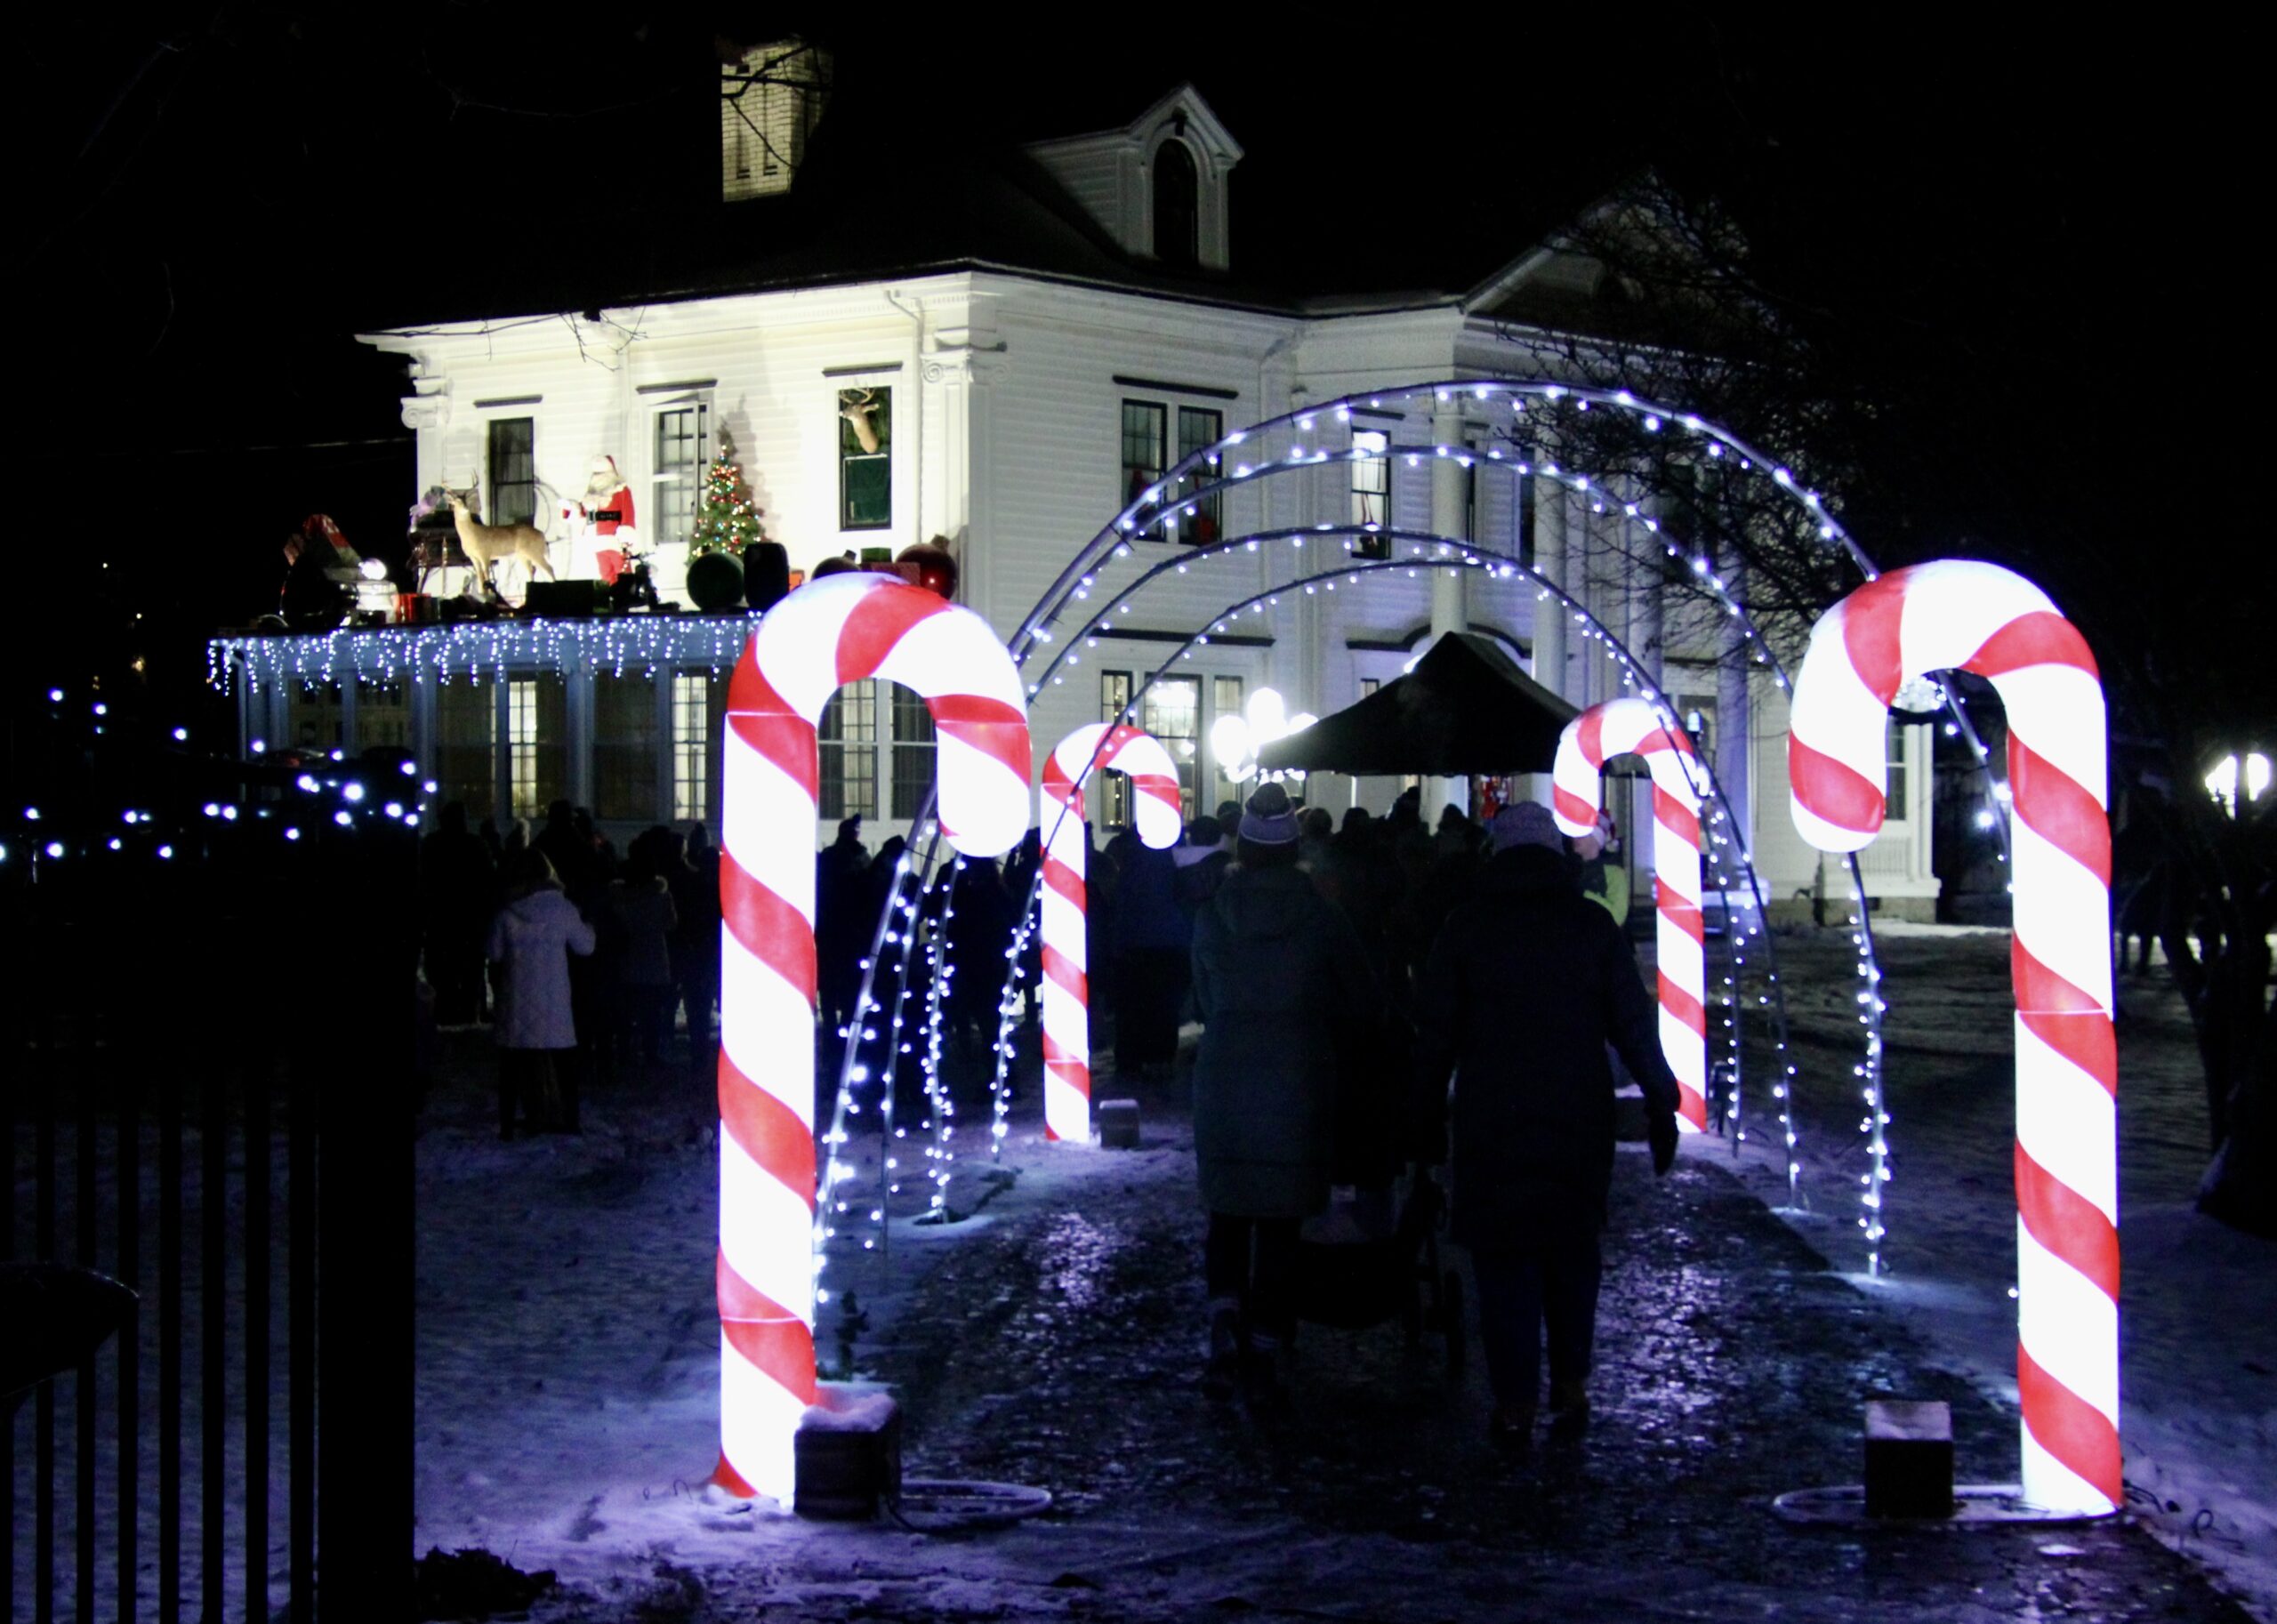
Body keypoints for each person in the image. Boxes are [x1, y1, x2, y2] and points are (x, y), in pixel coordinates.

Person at [1412, 800, 1679, 1452]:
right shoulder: (1590, 928)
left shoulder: (1467, 927)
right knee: (1571, 1251)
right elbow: (1633, 1023)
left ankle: (1514, 1400)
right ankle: (1570, 1382)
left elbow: (1434, 1035)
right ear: (1554, 857)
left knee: (1503, 1263)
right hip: (1575, 1118)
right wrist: (1661, 1100)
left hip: (1492, 1119)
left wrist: (1421, 1116)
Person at [1190, 782, 1381, 1400]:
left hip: (1225, 1077)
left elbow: (1202, 996)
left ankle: (1223, 1322)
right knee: (1277, 1221)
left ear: (1242, 845)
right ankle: (1268, 1340)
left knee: (1227, 1209)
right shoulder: (1323, 917)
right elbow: (1361, 997)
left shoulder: (1213, 914)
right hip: (1297, 1078)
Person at [487, 849, 598, 1138]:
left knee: (511, 1067)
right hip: (554, 999)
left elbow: (494, 953)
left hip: (517, 998)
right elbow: (585, 947)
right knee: (564, 1066)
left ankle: (508, 1124)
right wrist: (590, 927)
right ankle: (570, 1121)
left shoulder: (507, 911)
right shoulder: (563, 909)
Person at [608, 840, 680, 1072]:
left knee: (626, 1014)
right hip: (655, 957)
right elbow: (671, 924)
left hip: (628, 957)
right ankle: (650, 1055)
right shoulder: (661, 895)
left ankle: (624, 1055)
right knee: (652, 1013)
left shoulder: (620, 895)